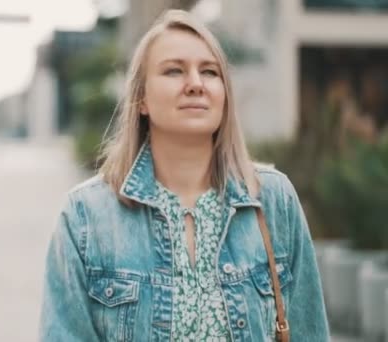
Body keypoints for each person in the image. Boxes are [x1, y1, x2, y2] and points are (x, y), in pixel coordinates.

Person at [39, 9, 329, 342]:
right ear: (141, 99)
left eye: (209, 72)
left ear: (224, 94)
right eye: (174, 71)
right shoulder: (86, 217)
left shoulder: (273, 199)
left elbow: (310, 333)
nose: (195, 84)